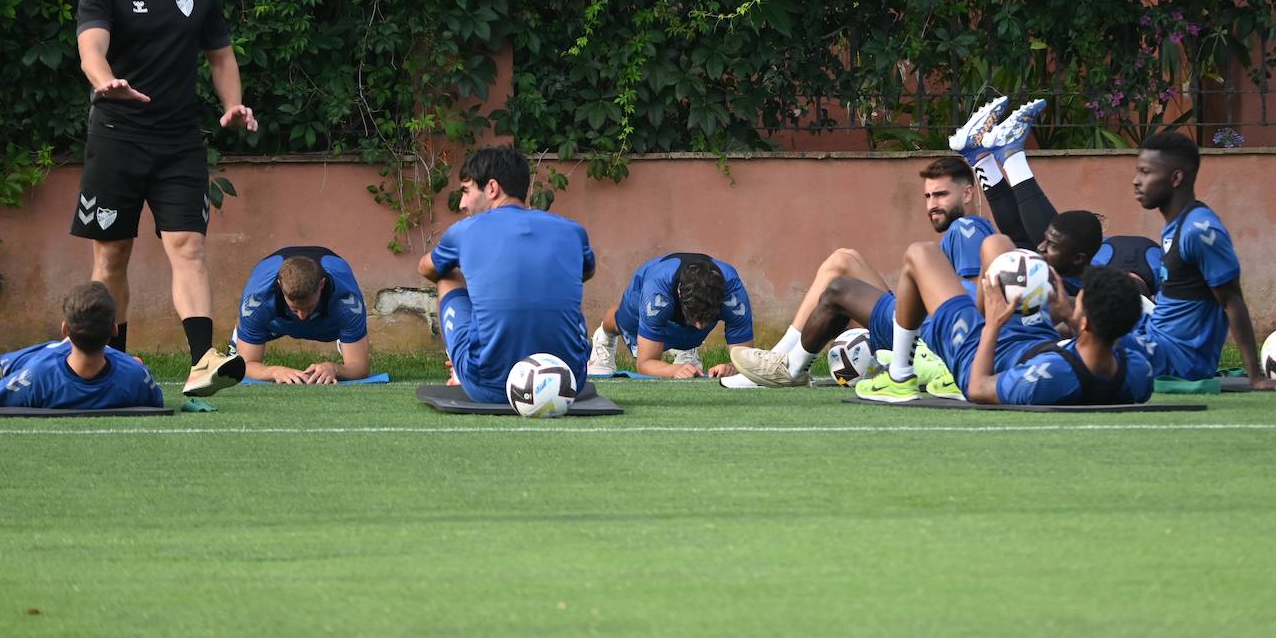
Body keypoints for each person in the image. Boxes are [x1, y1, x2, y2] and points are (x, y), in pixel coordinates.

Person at [71, 0, 257, 397]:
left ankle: (202, 362)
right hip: (116, 137)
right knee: (112, 256)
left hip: (179, 142)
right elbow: (92, 46)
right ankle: (111, 364)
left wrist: (232, 103)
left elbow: (221, 56)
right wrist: (104, 80)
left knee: (189, 246)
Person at [721, 156, 992, 389]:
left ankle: (781, 367)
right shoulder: (962, 233)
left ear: (967, 193)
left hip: (924, 338)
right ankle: (779, 362)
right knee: (843, 259)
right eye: (928, 196)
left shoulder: (966, 228)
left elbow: (968, 309)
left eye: (941, 195)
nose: (932, 205)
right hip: (919, 326)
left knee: (839, 282)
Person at [845, 242, 1153, 405]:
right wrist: (1069, 317)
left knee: (920, 253)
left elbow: (978, 388)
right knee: (996, 244)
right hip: (1035, 340)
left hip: (981, 355)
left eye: (1076, 302)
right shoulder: (1136, 370)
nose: (1070, 302)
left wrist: (991, 325)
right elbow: (1092, 347)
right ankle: (982, 307)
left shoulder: (1051, 377)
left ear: (1085, 322)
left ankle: (898, 378)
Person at [417, 146, 595, 403]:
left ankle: (463, 365)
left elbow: (426, 268)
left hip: (488, 387)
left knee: (447, 275)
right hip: (569, 381)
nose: (462, 203)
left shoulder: (464, 231)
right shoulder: (573, 230)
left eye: (466, 191)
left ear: (492, 188)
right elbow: (586, 272)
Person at [954, 95, 1160, 295]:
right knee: (1050, 253)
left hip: (1090, 268)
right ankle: (1002, 156)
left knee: (1027, 245)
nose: (1042, 245)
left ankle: (982, 158)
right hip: (1087, 266)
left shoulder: (1145, 271)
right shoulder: (1151, 269)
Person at [1130, 132, 1276, 386]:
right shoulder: (1178, 223)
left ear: (1175, 178)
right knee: (1093, 299)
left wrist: (1255, 378)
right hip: (1155, 336)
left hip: (1177, 359)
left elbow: (1232, 300)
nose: (1136, 181)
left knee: (1081, 333)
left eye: (1145, 172)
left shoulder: (1200, 231)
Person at [0, 283, 164, 409]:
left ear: (64, 329)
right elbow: (156, 399)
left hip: (19, 362)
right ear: (114, 329)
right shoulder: (136, 377)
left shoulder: (37, 377)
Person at [588, 254, 751, 378]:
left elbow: (747, 359)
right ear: (680, 294)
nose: (701, 327)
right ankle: (603, 337)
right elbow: (644, 363)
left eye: (708, 317)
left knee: (691, 333)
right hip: (647, 281)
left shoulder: (733, 294)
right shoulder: (656, 292)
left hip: (677, 296)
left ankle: (685, 349)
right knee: (622, 322)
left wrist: (732, 367)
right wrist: (673, 370)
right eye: (696, 317)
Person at [231, 247, 371, 384]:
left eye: (308, 307)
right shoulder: (258, 301)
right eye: (295, 309)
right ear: (279, 285)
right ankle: (239, 337)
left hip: (328, 324)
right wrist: (274, 371)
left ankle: (346, 339)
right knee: (232, 369)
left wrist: (334, 369)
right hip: (275, 322)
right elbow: (245, 365)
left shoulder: (346, 302)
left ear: (322, 285)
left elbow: (360, 367)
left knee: (351, 335)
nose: (302, 316)